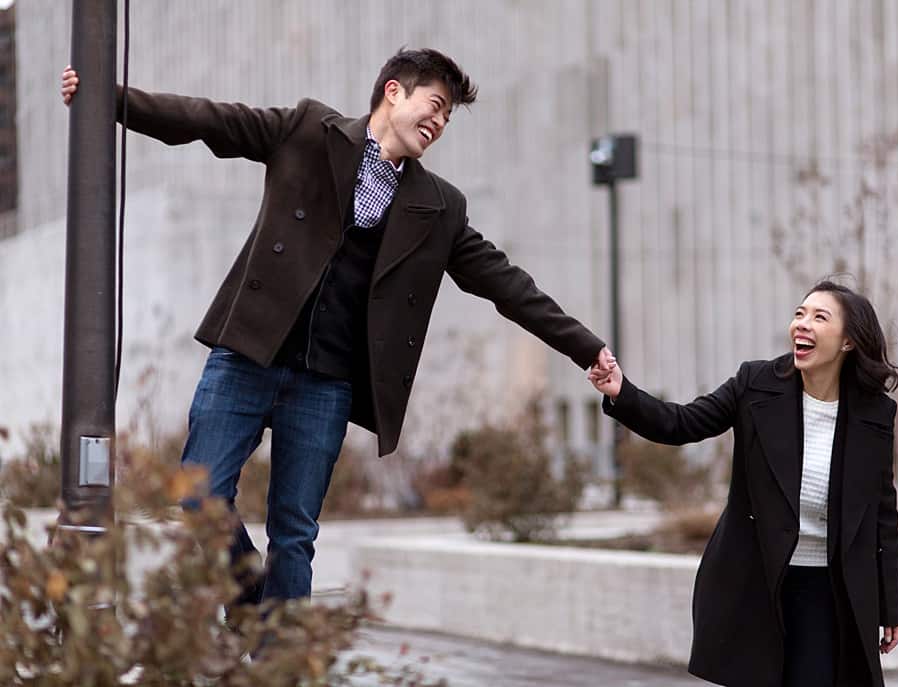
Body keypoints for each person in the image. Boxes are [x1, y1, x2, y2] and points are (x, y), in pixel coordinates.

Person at [61, 49, 613, 609]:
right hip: (248, 355)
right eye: (436, 105)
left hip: (325, 384)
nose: (440, 123)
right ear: (394, 91)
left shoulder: (439, 205)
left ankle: (280, 664)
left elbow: (506, 283)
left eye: (447, 118)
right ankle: (253, 601)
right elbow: (209, 120)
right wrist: (111, 99)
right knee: (200, 496)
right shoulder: (307, 131)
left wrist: (584, 346)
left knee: (295, 536)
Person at [588, 281, 898, 687]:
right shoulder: (755, 383)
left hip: (832, 591)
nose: (801, 325)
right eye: (799, 314)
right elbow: (681, 423)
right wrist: (622, 393)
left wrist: (890, 604)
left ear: (847, 342)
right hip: (758, 582)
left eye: (819, 317)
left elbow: (882, 510)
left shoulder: (875, 412)